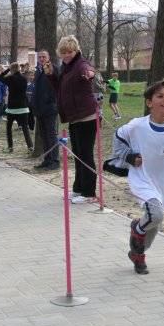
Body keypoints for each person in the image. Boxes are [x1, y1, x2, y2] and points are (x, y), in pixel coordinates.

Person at [112, 80, 164, 274]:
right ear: (149, 102)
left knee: (155, 223)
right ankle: (137, 232)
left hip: (163, 182)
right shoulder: (137, 126)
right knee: (155, 215)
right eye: (160, 96)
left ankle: (138, 253)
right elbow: (118, 139)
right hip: (142, 178)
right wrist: (129, 156)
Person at [45, 35, 98, 203]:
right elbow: (60, 89)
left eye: (70, 52)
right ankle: (78, 189)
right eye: (63, 52)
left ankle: (89, 193)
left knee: (86, 155)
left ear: (76, 50)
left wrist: (89, 74)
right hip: (74, 118)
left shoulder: (81, 64)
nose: (66, 55)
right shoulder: (65, 68)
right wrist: (52, 76)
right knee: (78, 155)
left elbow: (88, 71)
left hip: (87, 117)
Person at [31, 49, 60, 170]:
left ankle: (55, 161)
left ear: (48, 57)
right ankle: (47, 159)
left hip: (50, 107)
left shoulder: (53, 69)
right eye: (40, 57)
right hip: (39, 108)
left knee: (52, 134)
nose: (42, 59)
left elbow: (57, 82)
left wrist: (51, 100)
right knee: (43, 135)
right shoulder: (38, 71)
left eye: (44, 57)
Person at [0, 62, 34, 153]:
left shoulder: (10, 78)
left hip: (12, 107)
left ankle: (10, 147)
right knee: (25, 127)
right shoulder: (24, 78)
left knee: (9, 127)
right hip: (23, 106)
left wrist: (7, 70)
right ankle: (30, 146)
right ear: (19, 69)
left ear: (12, 69)